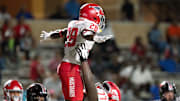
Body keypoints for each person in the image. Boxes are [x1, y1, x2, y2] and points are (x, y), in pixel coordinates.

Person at [40, 3, 112, 101]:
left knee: (78, 98)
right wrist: (96, 38)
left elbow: (63, 32)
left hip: (71, 66)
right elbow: (86, 33)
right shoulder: (88, 26)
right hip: (71, 67)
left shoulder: (74, 23)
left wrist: (50, 35)